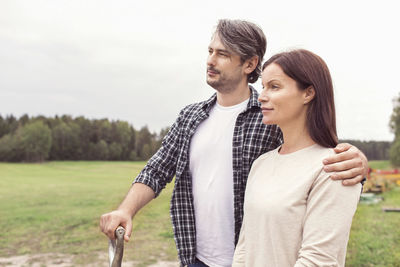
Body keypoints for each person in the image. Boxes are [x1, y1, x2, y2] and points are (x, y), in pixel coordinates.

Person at [100, 19, 367, 267]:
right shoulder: (190, 117)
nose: (210, 60)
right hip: (197, 258)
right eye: (210, 51)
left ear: (250, 64)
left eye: (223, 54)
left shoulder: (270, 118)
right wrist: (126, 209)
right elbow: (157, 169)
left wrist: (356, 161)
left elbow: (310, 152)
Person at [232, 49, 361, 267]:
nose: (261, 96)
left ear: (308, 93)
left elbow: (318, 261)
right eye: (263, 87)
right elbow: (245, 247)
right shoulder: (261, 164)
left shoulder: (333, 168)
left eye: (274, 86)